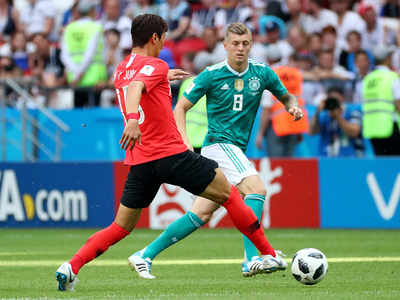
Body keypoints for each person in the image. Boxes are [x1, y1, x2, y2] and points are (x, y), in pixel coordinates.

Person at [55, 15, 302, 291]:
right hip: (170, 155)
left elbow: (136, 81)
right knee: (232, 195)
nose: (164, 43)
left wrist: (163, 77)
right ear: (154, 38)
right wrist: (135, 118)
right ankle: (265, 255)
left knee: (121, 227)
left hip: (141, 161)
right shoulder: (155, 65)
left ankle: (71, 266)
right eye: (164, 37)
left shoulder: (122, 68)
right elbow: (139, 86)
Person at [128, 22, 303, 279]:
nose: (240, 49)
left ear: (251, 45)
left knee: (201, 212)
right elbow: (180, 108)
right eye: (235, 44)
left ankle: (144, 254)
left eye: (245, 44)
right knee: (256, 190)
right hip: (219, 145)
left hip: (235, 148)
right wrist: (185, 142)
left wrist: (292, 107)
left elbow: (286, 96)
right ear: (225, 46)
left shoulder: (262, 73)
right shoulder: (211, 74)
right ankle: (252, 259)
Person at [61, 1, 107, 107]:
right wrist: (79, 73)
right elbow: (90, 54)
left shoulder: (69, 28)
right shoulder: (96, 27)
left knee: (78, 115)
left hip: (74, 78)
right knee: (93, 116)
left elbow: (64, 55)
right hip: (94, 78)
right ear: (91, 11)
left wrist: (76, 74)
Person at [256, 65, 309, 157]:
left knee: (277, 163)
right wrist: (299, 131)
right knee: (289, 163)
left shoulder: (270, 80)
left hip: (276, 127)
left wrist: (260, 134)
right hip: (294, 126)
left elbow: (266, 110)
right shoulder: (295, 81)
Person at [361, 44, 400, 155]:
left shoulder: (367, 79)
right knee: (395, 165)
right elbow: (398, 104)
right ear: (387, 58)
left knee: (381, 164)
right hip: (390, 128)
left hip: (372, 128)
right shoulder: (392, 77)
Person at [310, 86, 365, 157]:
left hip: (350, 158)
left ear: (343, 99)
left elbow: (354, 132)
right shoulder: (324, 115)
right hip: (327, 157)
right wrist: (317, 112)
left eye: (336, 100)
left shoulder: (353, 112)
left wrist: (338, 116)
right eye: (331, 100)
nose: (334, 104)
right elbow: (311, 132)